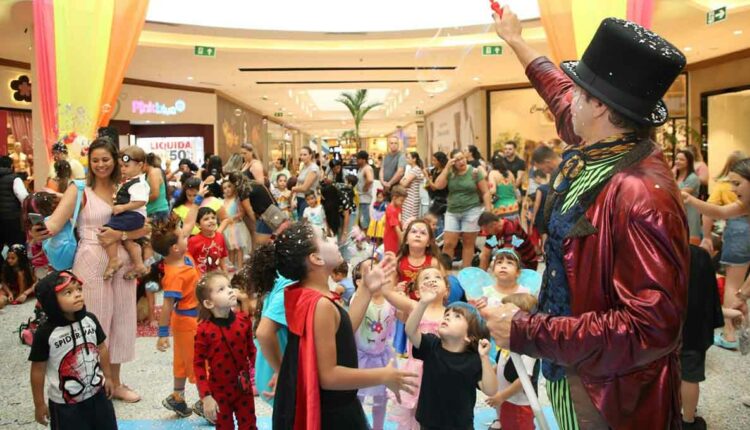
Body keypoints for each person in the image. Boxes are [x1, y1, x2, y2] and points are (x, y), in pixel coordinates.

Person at [488, 9, 689, 429]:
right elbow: (558, 92)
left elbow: (651, 327)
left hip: (606, 392)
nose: (569, 99)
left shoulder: (640, 194)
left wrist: (529, 331)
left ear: (598, 106)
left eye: (579, 92)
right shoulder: (602, 138)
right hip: (571, 367)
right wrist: (516, 40)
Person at [249, 222, 415, 429]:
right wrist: (383, 375)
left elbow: (342, 333)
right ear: (316, 259)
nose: (333, 239)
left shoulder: (309, 294)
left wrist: (366, 288)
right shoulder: (321, 305)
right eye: (325, 238)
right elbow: (328, 376)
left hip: (329, 405)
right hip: (330, 413)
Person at [31, 138, 148, 403]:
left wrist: (120, 234)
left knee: (122, 320)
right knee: (94, 320)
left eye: (106, 159)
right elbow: (55, 223)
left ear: (115, 160)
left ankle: (116, 382)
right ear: (89, 162)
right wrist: (39, 231)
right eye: (95, 160)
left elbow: (144, 227)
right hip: (91, 258)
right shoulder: (80, 188)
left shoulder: (125, 188)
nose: (100, 165)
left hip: (122, 258)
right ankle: (94, 382)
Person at [29, 271, 117, 429]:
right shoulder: (45, 334)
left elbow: (102, 348)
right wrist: (39, 404)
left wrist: (109, 377)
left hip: (98, 394)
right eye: (68, 292)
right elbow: (37, 370)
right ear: (51, 300)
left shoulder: (90, 320)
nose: (77, 295)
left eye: (79, 289)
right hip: (65, 405)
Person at [403, 281, 497, 430]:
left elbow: (490, 390)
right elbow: (410, 330)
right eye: (446, 314)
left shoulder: (474, 360)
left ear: (469, 336)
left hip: (460, 426)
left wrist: (484, 358)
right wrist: (423, 303)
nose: (447, 317)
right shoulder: (431, 345)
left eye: (457, 316)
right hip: (428, 423)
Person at [381, 266, 450, 429]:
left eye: (437, 277)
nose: (432, 280)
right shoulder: (414, 306)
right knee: (414, 411)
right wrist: (389, 272)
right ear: (418, 293)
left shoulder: (451, 313)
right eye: (426, 278)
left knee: (439, 411)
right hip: (417, 371)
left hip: (442, 370)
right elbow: (387, 294)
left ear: (446, 291)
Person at [152, 208, 201, 418]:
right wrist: (163, 333)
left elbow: (188, 224)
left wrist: (196, 201)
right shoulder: (174, 274)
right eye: (183, 237)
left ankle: (177, 398)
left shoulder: (182, 256)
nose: (187, 236)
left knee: (182, 360)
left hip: (186, 321)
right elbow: (167, 305)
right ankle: (206, 401)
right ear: (175, 248)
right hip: (188, 322)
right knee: (198, 361)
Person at [698, 151, 749, 349]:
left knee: (732, 284)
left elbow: (714, 212)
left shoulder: (733, 199)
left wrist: (707, 236)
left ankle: (729, 334)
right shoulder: (742, 203)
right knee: (736, 286)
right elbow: (718, 211)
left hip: (737, 233)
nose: (733, 189)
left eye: (736, 184)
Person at [193, 271, 257, 429]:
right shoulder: (204, 330)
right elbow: (198, 365)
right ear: (209, 303)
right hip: (219, 392)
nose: (230, 290)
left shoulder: (243, 321)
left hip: (244, 389)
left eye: (229, 286)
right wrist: (206, 397)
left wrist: (263, 377)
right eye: (221, 289)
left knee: (249, 426)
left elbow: (252, 352)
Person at [680, 245, 724, 430]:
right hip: (693, 327)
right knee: (690, 374)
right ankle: (688, 421)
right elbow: (710, 298)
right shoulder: (699, 255)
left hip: (661, 327)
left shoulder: (651, 249)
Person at [351, 259, 397, 430]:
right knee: (357, 396)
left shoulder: (390, 301)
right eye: (370, 271)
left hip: (382, 357)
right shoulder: (358, 300)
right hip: (361, 357)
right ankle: (357, 425)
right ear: (359, 282)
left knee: (381, 398)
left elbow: (403, 315)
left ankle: (378, 427)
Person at [486, 293, 539, 430]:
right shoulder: (507, 343)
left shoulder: (527, 348)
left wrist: (501, 397)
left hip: (520, 403)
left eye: (504, 316)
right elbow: (500, 365)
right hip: (507, 399)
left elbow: (523, 380)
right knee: (507, 424)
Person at [431, 149, 492, 268]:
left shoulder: (474, 172)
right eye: (457, 160)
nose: (461, 162)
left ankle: (466, 271)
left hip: (472, 210)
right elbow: (438, 185)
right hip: (452, 211)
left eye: (462, 158)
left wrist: (488, 211)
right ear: (452, 162)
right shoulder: (450, 172)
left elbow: (485, 192)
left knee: (468, 243)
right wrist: (447, 167)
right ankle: (445, 270)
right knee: (448, 243)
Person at [102, 146, 150, 280]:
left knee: (107, 231)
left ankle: (114, 260)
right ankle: (139, 265)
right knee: (128, 241)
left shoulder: (138, 183)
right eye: (121, 166)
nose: (123, 169)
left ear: (140, 165)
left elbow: (141, 201)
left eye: (126, 166)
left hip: (132, 215)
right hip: (133, 216)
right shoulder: (131, 181)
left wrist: (123, 207)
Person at [188, 207, 229, 274]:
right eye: (206, 219)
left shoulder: (220, 237)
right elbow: (188, 261)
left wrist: (225, 273)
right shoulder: (193, 240)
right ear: (198, 225)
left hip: (214, 275)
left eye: (213, 218)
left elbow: (222, 258)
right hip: (199, 276)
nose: (211, 221)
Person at [221, 180, 251, 271]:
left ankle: (240, 269)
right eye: (224, 188)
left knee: (238, 247)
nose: (227, 189)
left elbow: (242, 212)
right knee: (231, 248)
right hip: (227, 228)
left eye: (229, 186)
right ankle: (231, 266)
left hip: (237, 227)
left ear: (233, 187)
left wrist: (233, 218)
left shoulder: (237, 199)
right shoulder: (222, 201)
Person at [0, 155, 28, 250]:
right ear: (11, 166)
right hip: (12, 218)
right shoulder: (14, 178)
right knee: (16, 246)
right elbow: (23, 197)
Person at [675, 149, 702, 244]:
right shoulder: (675, 177)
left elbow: (680, 194)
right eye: (677, 159)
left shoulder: (693, 178)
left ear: (688, 162)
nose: (678, 161)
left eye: (681, 159)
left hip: (690, 214)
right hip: (678, 213)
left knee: (691, 243)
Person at [488, 154, 519, 219]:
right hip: (514, 206)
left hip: (500, 208)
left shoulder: (492, 173)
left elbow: (493, 190)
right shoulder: (510, 173)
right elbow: (515, 190)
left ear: (492, 164)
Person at [400, 152, 425, 225]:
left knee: (409, 221)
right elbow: (401, 181)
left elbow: (404, 184)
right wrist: (403, 181)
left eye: (408, 158)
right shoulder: (411, 169)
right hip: (408, 198)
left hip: (412, 199)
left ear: (414, 159)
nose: (406, 159)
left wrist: (404, 181)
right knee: (404, 219)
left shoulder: (416, 169)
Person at [145, 153, 170, 222]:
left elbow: (155, 194)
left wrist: (141, 201)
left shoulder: (154, 172)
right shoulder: (151, 173)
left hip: (157, 211)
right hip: (154, 211)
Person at [383, 185, 407, 255]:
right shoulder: (391, 210)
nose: (402, 203)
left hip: (397, 238)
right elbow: (396, 227)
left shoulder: (398, 207)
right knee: (391, 256)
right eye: (401, 200)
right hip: (390, 240)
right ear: (394, 198)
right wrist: (403, 242)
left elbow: (400, 221)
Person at [356, 150, 375, 229]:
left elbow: (370, 180)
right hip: (360, 198)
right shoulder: (361, 168)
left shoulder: (367, 168)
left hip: (364, 198)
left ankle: (367, 235)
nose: (357, 161)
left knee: (364, 221)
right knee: (361, 220)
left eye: (358, 159)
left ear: (364, 159)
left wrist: (365, 188)